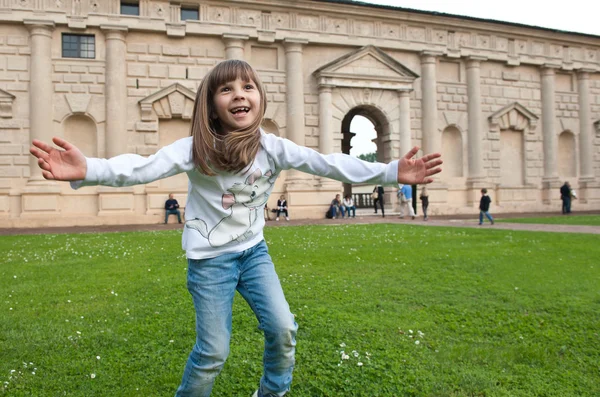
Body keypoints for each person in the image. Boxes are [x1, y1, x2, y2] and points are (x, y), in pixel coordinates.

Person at [29, 59, 442, 397]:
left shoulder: (273, 147)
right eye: (226, 89)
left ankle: (272, 393)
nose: (239, 94)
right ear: (211, 105)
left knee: (283, 329)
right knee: (213, 352)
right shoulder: (195, 148)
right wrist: (91, 169)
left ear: (260, 100)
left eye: (247, 87)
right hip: (210, 262)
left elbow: (329, 162)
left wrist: (391, 171)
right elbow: (141, 166)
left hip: (254, 253)